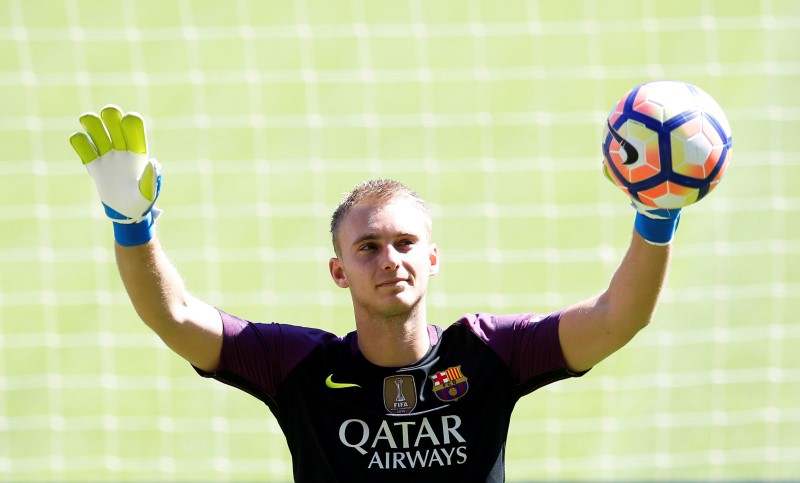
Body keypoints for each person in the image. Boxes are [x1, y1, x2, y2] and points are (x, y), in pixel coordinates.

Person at [69, 105, 679, 482]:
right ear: (338, 272)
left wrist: (657, 215)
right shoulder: (300, 368)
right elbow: (174, 316)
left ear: (433, 258)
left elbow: (617, 317)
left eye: (406, 243)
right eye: (367, 248)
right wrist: (133, 226)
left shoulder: (493, 352)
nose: (390, 259)